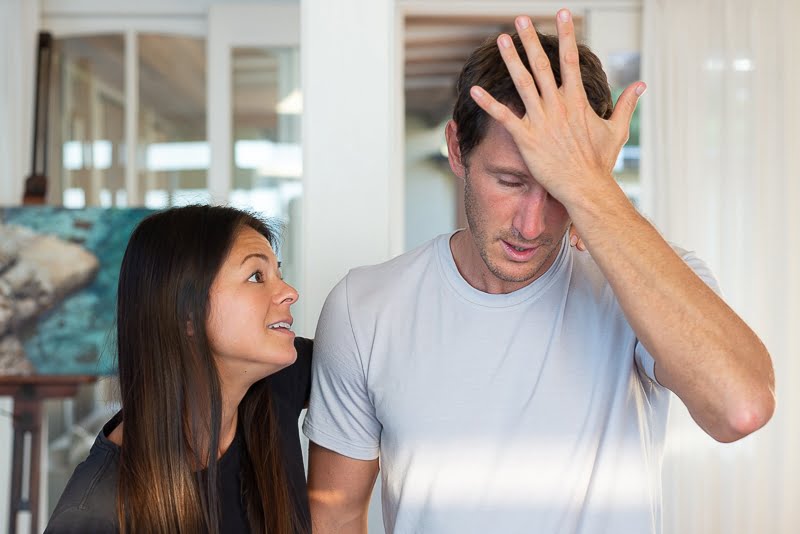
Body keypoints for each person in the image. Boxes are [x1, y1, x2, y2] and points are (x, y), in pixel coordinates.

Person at [302, 9, 775, 534]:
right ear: (457, 149)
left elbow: (741, 408)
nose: (530, 225)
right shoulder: (364, 307)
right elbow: (335, 511)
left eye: (557, 189)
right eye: (508, 181)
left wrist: (591, 190)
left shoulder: (650, 288)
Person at [45, 205, 311, 533]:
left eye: (279, 274)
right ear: (187, 313)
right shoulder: (94, 515)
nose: (289, 293)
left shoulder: (279, 380)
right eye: (256, 276)